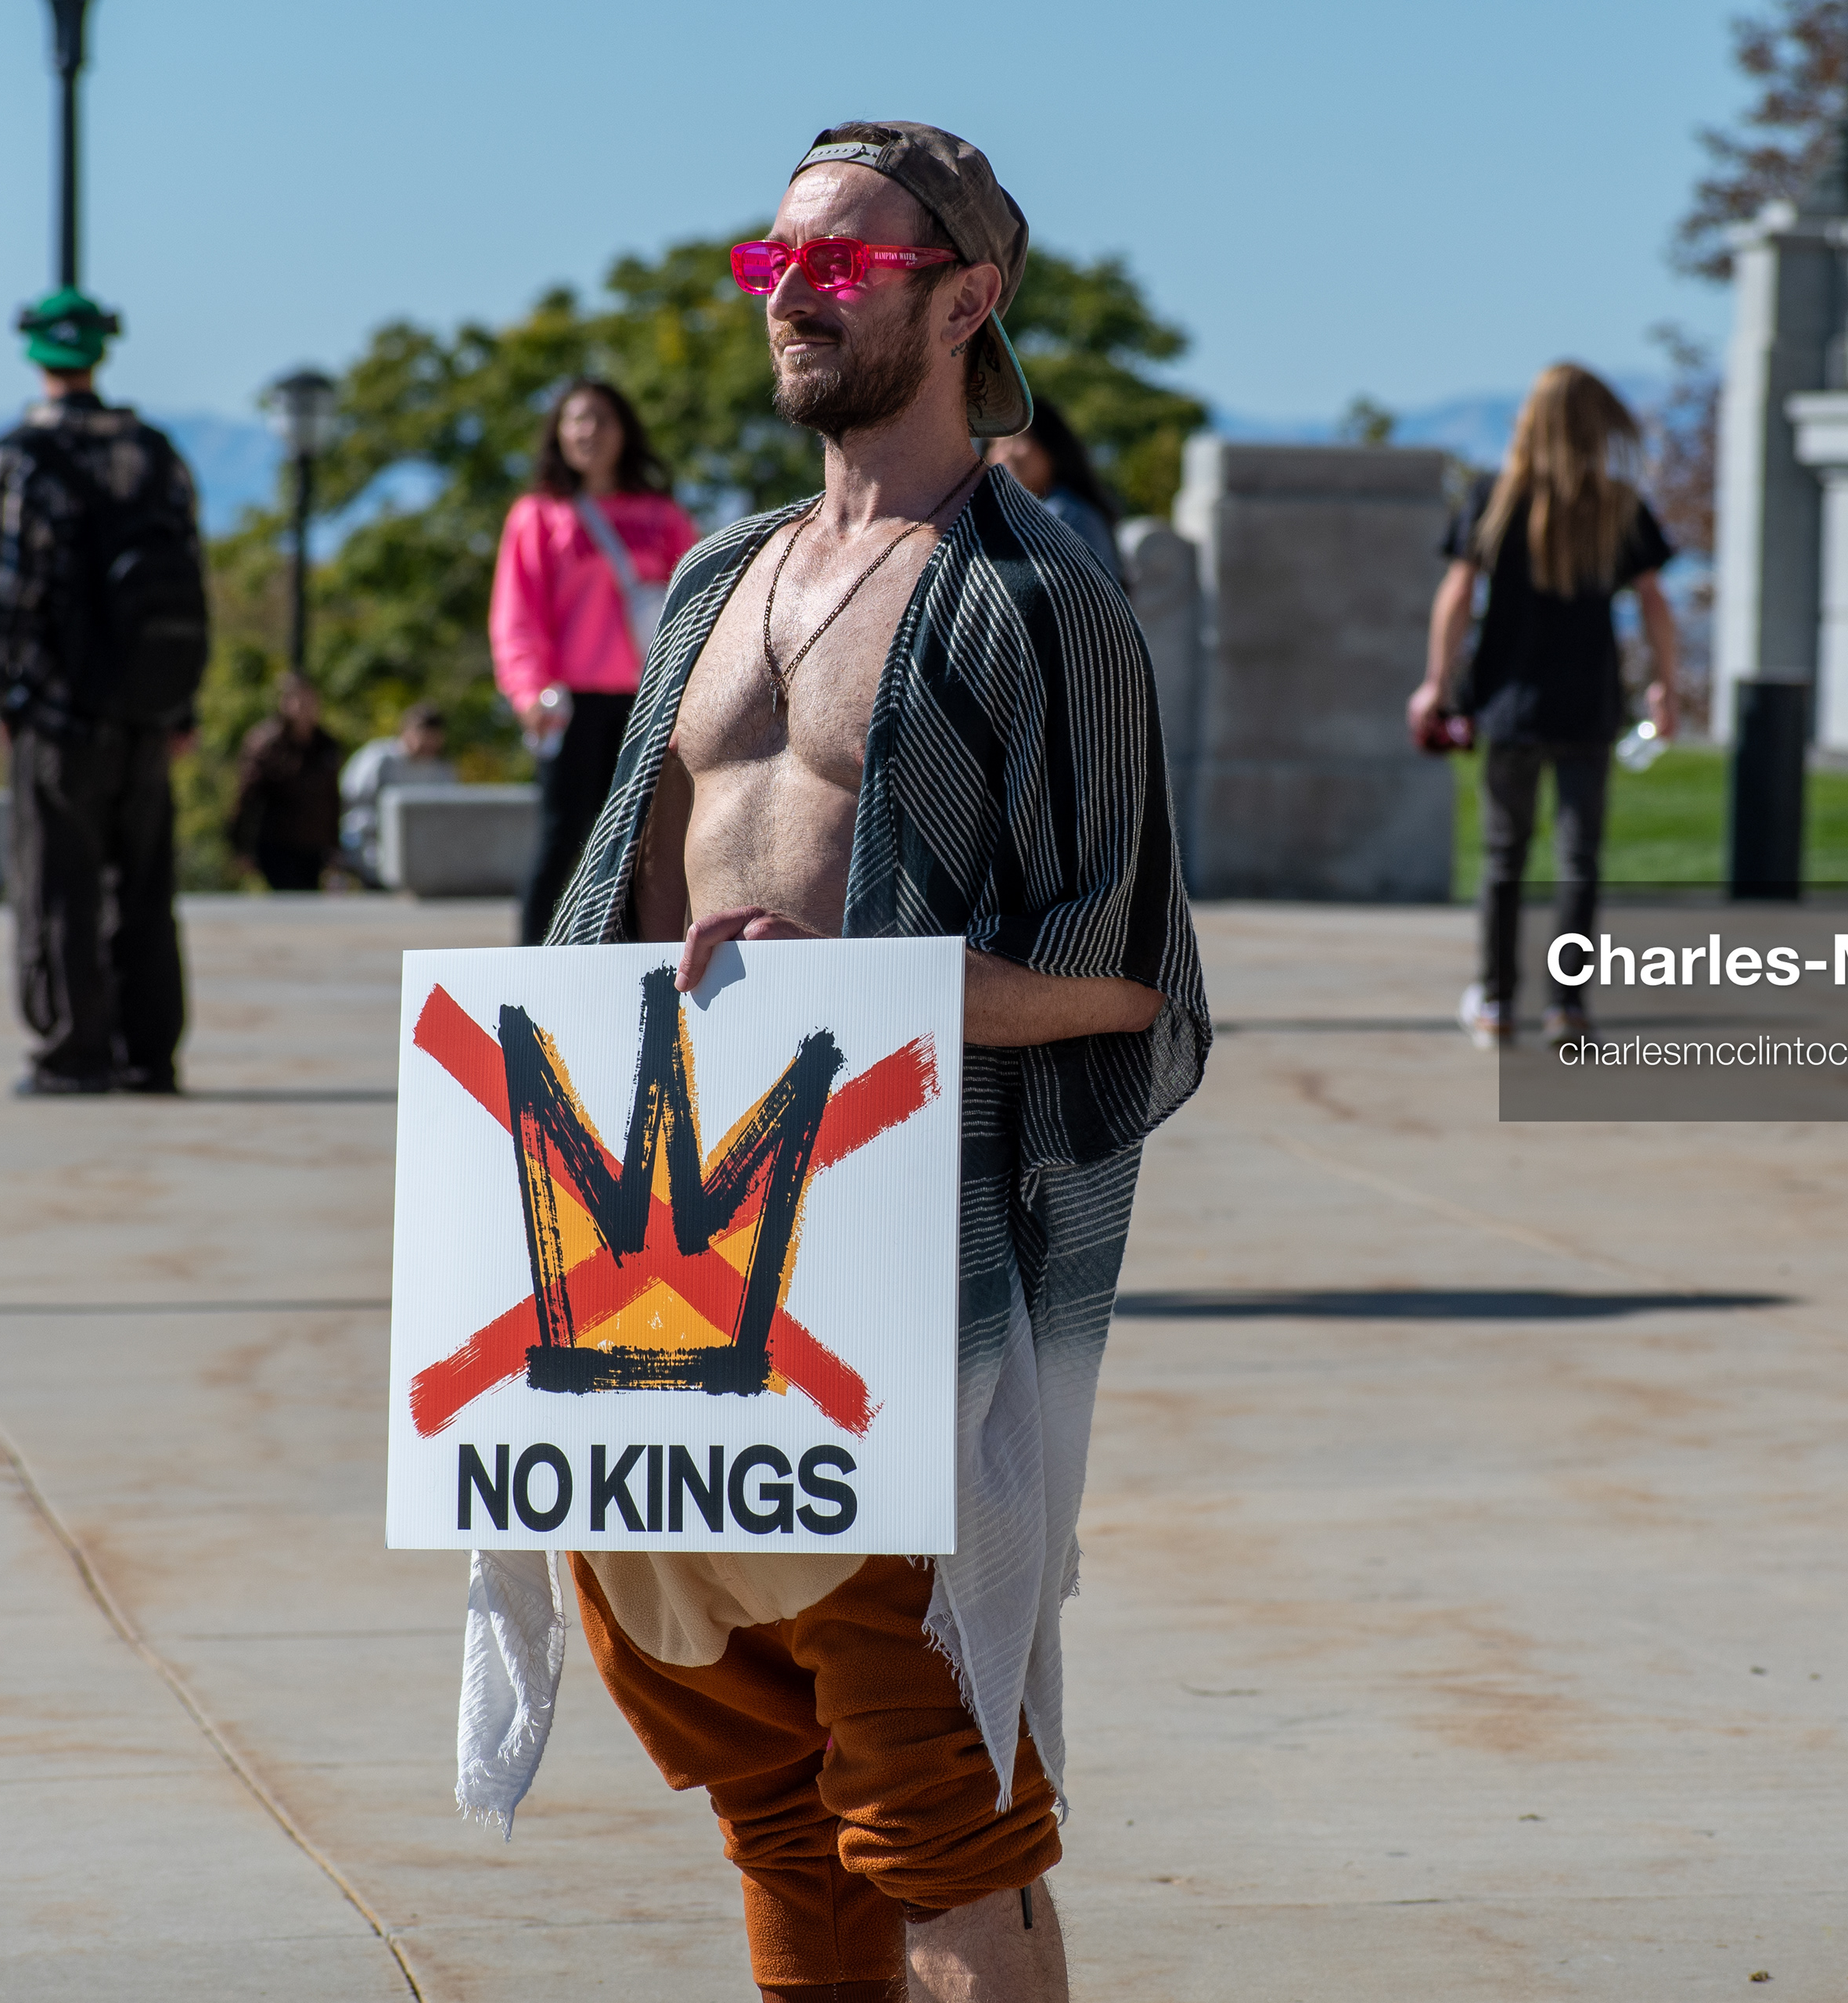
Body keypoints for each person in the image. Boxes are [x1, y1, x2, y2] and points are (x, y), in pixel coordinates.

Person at [458, 121, 1208, 2003]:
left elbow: (1130, 986)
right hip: (652, 1287)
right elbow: (614, 909)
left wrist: (881, 995)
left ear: (966, 300)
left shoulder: (1044, 606)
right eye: (772, 259)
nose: (791, 290)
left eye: (845, 264)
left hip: (891, 1312)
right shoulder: (711, 580)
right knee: (775, 1821)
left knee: (939, 1823)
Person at [0, 286, 209, 1098]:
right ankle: (150, 1051)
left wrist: (3, 696)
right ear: (103, 351)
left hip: (62, 712)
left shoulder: (26, 458)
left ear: (35, 354)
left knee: (58, 883)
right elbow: (189, 582)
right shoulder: (157, 453)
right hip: (147, 709)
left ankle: (74, 1051)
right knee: (143, 887)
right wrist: (179, 704)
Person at [1408, 362, 1680, 1047]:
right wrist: (1664, 686)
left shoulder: (1494, 497)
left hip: (1510, 704)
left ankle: (1497, 1003)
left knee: (1505, 857)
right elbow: (1654, 603)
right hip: (1588, 704)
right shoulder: (1616, 504)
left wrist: (1436, 681)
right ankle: (1568, 1007)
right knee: (1579, 859)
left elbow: (1456, 594)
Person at [491, 379, 702, 944]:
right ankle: (533, 969)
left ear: (624, 431)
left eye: (601, 419)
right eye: (576, 420)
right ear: (558, 433)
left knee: (650, 843)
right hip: (572, 703)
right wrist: (528, 690)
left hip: (653, 702)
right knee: (562, 841)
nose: (588, 431)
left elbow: (702, 603)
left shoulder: (663, 516)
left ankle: (639, 967)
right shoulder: (538, 516)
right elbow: (518, 613)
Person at [983, 398, 1124, 581]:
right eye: (995, 443)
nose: (1005, 453)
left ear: (1051, 445)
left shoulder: (1066, 514)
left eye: (1020, 438)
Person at [228, 673, 347, 891]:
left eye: (310, 700)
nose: (305, 707)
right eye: (298, 700)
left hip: (314, 845)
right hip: (277, 844)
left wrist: (334, 847)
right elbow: (247, 797)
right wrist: (241, 847)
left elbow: (332, 799)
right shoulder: (267, 744)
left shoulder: (326, 744)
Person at [339, 701, 455, 886]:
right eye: (423, 737)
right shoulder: (379, 760)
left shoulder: (441, 771)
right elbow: (355, 806)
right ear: (406, 731)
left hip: (423, 864)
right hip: (373, 856)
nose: (427, 745)